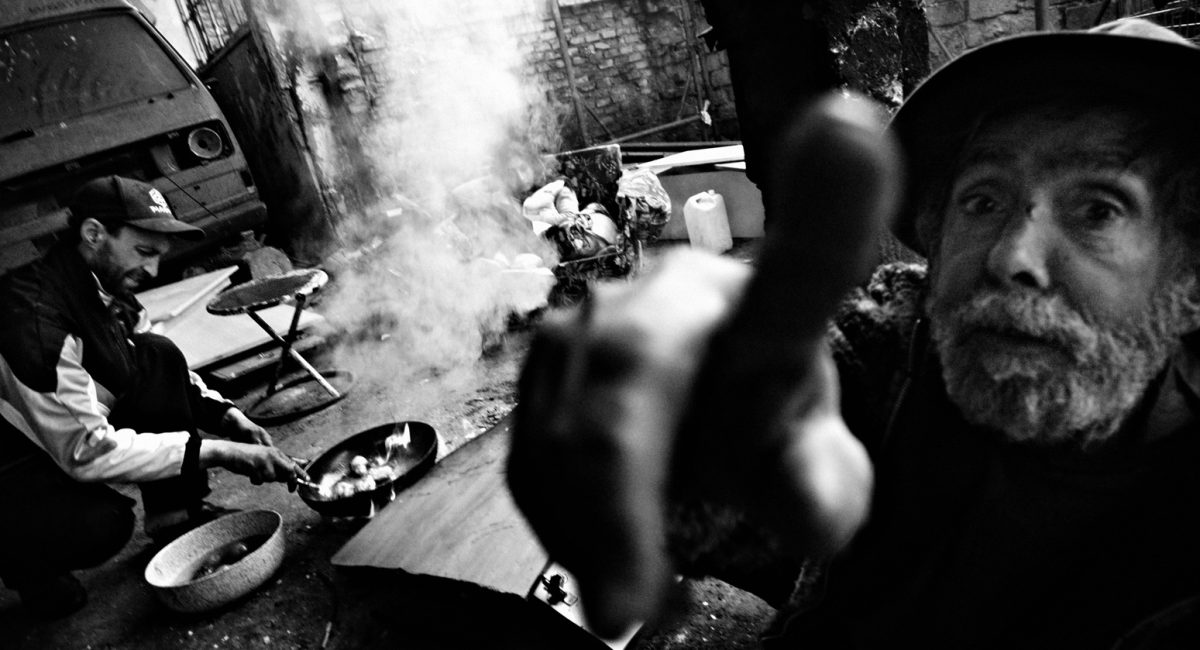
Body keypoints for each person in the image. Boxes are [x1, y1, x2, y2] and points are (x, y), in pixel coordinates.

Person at [507, 18, 1200, 649]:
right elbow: (783, 394)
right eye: (983, 200)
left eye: (1099, 209)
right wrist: (679, 408)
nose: (1012, 255)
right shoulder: (906, 357)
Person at [0, 175, 307, 617]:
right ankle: (27, 566)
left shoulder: (108, 288)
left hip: (58, 433)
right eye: (144, 252)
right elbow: (86, 451)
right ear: (93, 234)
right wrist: (219, 452)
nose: (154, 271)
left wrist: (227, 416)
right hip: (13, 466)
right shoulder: (32, 320)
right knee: (103, 525)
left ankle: (174, 515)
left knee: (155, 352)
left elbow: (167, 368)